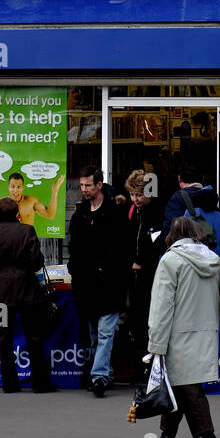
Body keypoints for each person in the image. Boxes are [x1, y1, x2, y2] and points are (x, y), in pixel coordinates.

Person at [147, 215, 220, 438]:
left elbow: (162, 306)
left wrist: (155, 343)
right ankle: (167, 434)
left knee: (188, 386)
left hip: (177, 332)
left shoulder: (170, 260)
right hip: (206, 329)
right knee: (179, 383)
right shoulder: (214, 260)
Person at [0, 198, 55, 393]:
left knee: (4, 339)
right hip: (28, 293)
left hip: (0, 298)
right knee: (35, 338)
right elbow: (37, 263)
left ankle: (9, 384)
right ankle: (40, 383)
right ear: (16, 214)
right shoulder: (27, 231)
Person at [68, 166, 130, 396]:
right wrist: (74, 269)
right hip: (87, 284)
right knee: (95, 334)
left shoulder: (115, 213)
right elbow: (73, 247)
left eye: (88, 185)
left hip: (110, 282)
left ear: (99, 185)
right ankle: (105, 373)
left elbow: (124, 248)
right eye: (82, 185)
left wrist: (118, 272)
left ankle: (99, 376)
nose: (84, 189)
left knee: (105, 332)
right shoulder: (80, 214)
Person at [125, 167, 165, 375]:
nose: (135, 199)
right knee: (137, 319)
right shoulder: (134, 212)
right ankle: (141, 363)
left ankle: (150, 366)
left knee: (149, 318)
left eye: (139, 195)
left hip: (150, 273)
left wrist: (140, 261)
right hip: (136, 274)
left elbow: (155, 245)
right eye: (132, 195)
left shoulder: (157, 213)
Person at [0, 169, 65, 229]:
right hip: (9, 244)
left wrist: (55, 192)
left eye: (18, 187)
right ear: (8, 187)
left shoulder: (31, 201)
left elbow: (50, 215)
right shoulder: (3, 203)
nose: (15, 190)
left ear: (23, 187)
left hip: (27, 243)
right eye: (12, 186)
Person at [162, 155, 220, 251]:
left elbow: (169, 229)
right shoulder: (212, 197)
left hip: (187, 257)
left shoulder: (178, 198)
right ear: (202, 178)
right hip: (212, 255)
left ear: (179, 179)